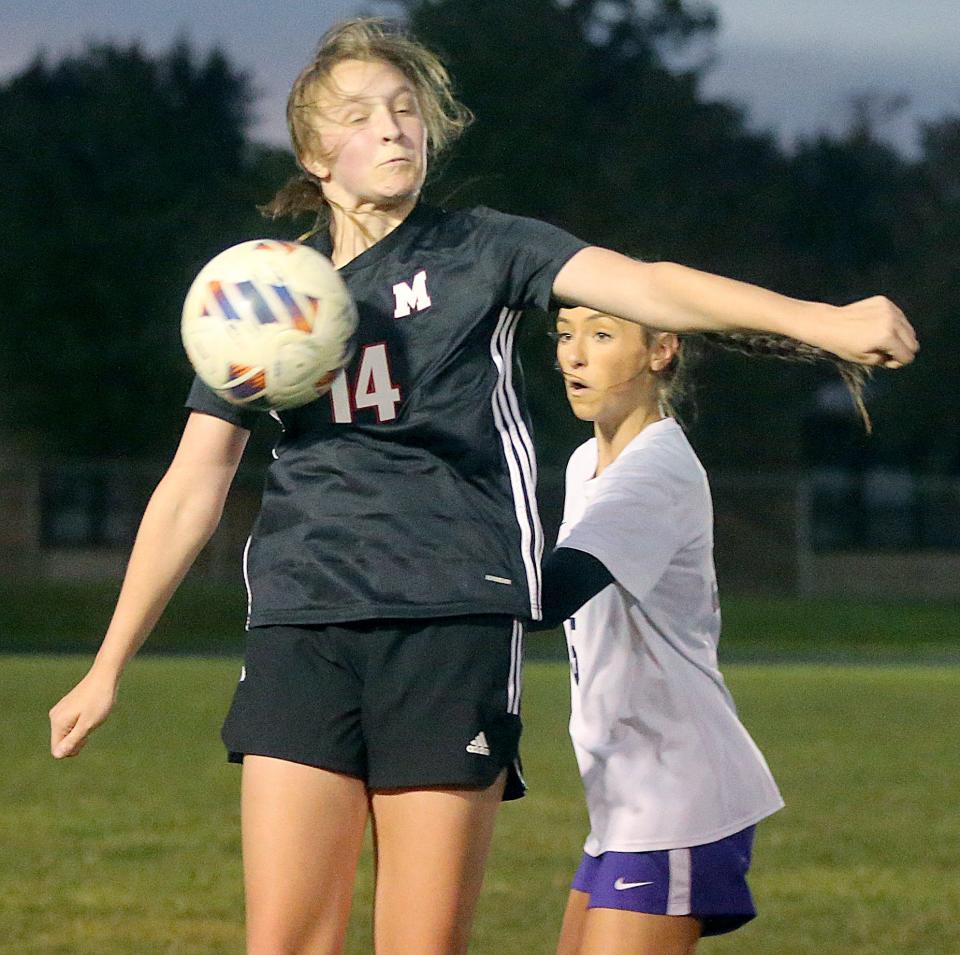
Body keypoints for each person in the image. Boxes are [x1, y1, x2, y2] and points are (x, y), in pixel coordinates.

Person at [48, 17, 917, 955]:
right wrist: (108, 663)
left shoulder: (482, 248)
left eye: (405, 109)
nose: (393, 129)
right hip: (303, 624)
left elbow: (650, 285)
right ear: (314, 152)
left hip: (451, 622)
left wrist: (821, 320)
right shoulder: (262, 296)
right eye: (360, 115)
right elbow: (193, 484)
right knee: (286, 941)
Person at [534, 308, 872, 955]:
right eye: (565, 333)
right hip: (625, 800)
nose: (573, 355)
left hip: (676, 795)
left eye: (601, 334)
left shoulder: (655, 468)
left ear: (661, 349)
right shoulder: (585, 463)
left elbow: (546, 596)